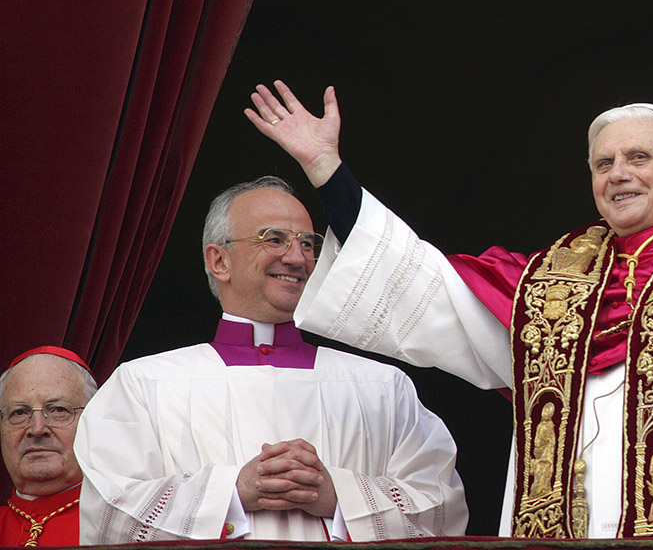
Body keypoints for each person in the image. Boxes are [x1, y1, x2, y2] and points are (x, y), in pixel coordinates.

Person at [244, 0, 653, 538]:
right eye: (603, 163)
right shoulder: (544, 286)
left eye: (639, 158)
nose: (617, 173)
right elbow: (417, 285)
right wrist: (328, 172)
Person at [73, 176, 467, 543]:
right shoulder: (142, 384)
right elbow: (108, 516)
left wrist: (338, 497)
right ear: (219, 261)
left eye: (308, 243)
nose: (297, 258)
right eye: (274, 239)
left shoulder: (381, 387)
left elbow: (441, 509)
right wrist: (234, 492)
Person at [0, 346, 97, 546]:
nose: (37, 428)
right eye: (19, 413)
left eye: (59, 410)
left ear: (93, 421)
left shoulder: (121, 528)